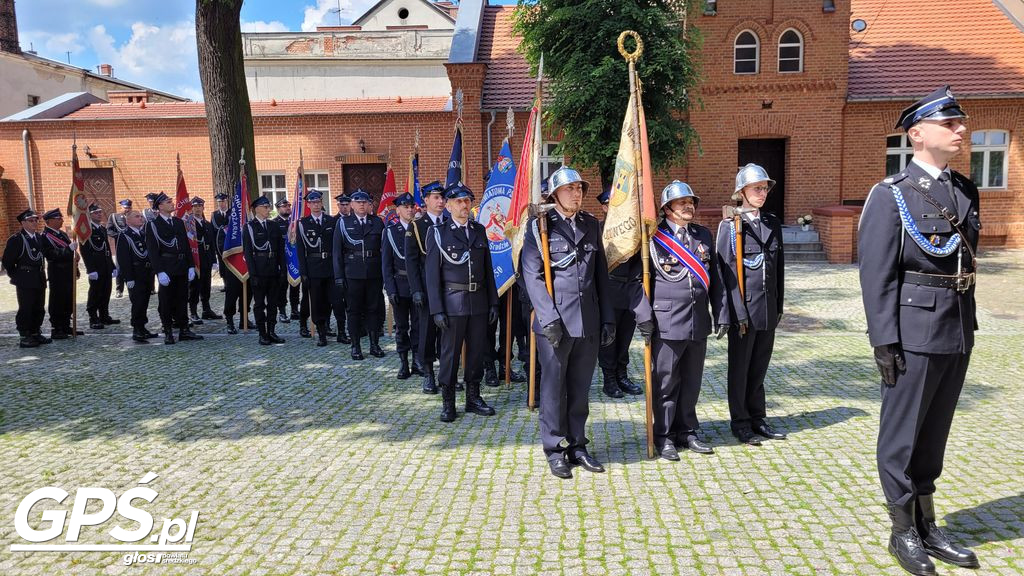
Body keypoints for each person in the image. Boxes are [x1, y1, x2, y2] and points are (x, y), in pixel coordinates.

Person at [859, 86, 981, 575]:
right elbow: (877, 275)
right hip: (911, 332)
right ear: (917, 133)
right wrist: (884, 341)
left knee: (935, 432)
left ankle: (928, 523)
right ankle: (902, 529)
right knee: (902, 435)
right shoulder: (890, 195)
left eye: (960, 123)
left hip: (956, 328)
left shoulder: (965, 190)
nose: (961, 130)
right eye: (950, 123)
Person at [521, 167, 614, 479]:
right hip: (555, 324)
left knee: (580, 388)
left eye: (579, 188)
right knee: (553, 389)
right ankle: (555, 448)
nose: (577, 194)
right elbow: (532, 276)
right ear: (555, 194)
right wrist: (548, 319)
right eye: (570, 188)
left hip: (587, 321)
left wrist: (608, 318)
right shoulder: (540, 227)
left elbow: (600, 274)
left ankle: (577, 444)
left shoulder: (591, 225)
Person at [642, 182, 724, 458]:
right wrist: (644, 316)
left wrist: (720, 312)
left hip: (697, 320)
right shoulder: (653, 237)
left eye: (691, 202)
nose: (689, 206)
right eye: (682, 203)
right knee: (666, 383)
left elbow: (716, 281)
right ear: (667, 209)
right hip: (666, 322)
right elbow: (639, 281)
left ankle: (687, 430)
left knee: (691, 381)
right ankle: (664, 435)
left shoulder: (703, 235)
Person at [716, 163, 786, 446]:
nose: (762, 192)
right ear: (741, 192)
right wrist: (734, 312)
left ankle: (758, 418)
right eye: (757, 188)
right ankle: (741, 422)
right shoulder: (731, 226)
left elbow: (779, 269)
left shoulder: (771, 223)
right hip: (743, 312)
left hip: (767, 309)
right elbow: (725, 274)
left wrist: (779, 304)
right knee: (741, 369)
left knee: (759, 368)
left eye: (765, 188)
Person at [425, 183, 499, 422]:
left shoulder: (479, 230)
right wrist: (436, 309)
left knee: (477, 352)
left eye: (467, 201)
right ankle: (448, 402)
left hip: (478, 302)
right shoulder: (438, 233)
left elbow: (488, 270)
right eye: (458, 201)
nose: (464, 205)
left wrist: (493, 303)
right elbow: (432, 276)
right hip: (452, 303)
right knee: (450, 354)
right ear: (447, 205)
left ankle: (473, 398)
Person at [595, 186, 645, 398]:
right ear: (604, 208)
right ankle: (609, 379)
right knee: (609, 337)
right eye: (608, 204)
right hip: (609, 289)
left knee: (625, 336)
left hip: (631, 289)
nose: (611, 208)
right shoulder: (597, 230)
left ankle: (622, 375)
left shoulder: (632, 230)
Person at [333, 189, 385, 360]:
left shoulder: (377, 222)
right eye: (358, 202)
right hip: (352, 273)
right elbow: (337, 252)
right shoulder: (343, 223)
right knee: (353, 311)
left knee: (373, 310)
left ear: (369, 204)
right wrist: (339, 276)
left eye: (365, 202)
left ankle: (374, 345)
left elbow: (384, 250)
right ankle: (355, 346)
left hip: (374, 273)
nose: (362, 205)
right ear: (352, 204)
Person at [406, 181, 448, 393]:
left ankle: (446, 374)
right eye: (435, 197)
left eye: (442, 197)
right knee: (427, 331)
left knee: (447, 332)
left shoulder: (449, 222)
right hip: (426, 287)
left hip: (448, 287)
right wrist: (416, 289)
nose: (440, 201)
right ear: (425, 200)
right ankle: (429, 373)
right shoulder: (417, 226)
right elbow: (411, 261)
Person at [146, 192, 202, 345]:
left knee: (182, 299)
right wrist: (160, 271)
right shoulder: (153, 224)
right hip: (167, 267)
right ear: (160, 206)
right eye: (168, 202)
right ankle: (168, 330)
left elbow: (185, 245)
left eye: (171, 201)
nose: (172, 204)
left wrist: (191, 265)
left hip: (181, 265)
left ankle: (184, 329)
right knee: (166, 300)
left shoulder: (177, 222)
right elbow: (152, 250)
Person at [382, 192, 420, 379]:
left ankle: (417, 362)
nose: (409, 209)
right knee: (402, 327)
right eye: (405, 207)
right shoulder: (391, 230)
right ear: (397, 210)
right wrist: (390, 289)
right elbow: (386, 264)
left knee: (419, 326)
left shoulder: (419, 228)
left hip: (417, 287)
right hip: (400, 285)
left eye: (411, 206)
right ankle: (404, 362)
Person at [295, 190, 337, 346]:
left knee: (329, 300)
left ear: (322, 203)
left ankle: (326, 325)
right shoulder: (303, 223)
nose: (316, 205)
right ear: (308, 205)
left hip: (330, 266)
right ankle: (321, 333)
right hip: (313, 268)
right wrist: (303, 273)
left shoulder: (331, 221)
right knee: (317, 301)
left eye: (318, 202)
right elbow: (300, 250)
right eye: (313, 203)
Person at [3, 210, 50, 348]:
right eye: (31, 220)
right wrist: (16, 276)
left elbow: (46, 253)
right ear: (23, 223)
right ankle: (25, 335)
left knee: (39, 307)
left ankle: (35, 332)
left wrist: (68, 250)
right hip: (25, 277)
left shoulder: (39, 237)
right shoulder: (16, 239)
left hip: (39, 276)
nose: (35, 222)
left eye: (36, 220)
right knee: (26, 307)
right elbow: (7, 261)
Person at [244, 195, 285, 345]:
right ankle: (262, 333)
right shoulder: (249, 227)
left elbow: (280, 249)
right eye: (265, 207)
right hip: (259, 270)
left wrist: (283, 270)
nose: (269, 209)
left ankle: (272, 331)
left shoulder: (273, 226)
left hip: (273, 268)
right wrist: (253, 273)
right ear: (257, 209)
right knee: (259, 304)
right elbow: (248, 252)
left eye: (269, 207)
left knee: (273, 303)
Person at [117, 209, 158, 343]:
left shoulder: (142, 234)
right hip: (135, 274)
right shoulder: (124, 235)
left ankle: (142, 327)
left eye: (141, 216)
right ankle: (137, 329)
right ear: (128, 220)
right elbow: (123, 259)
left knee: (145, 301)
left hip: (146, 273)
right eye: (137, 217)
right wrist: (128, 278)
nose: (141, 218)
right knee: (138, 302)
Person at [40, 209, 82, 339]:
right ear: (49, 221)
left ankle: (65, 324)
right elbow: (51, 255)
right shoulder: (45, 237)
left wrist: (75, 257)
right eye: (58, 218)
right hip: (57, 272)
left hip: (68, 270)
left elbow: (70, 252)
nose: (62, 220)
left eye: (61, 218)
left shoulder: (63, 234)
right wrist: (68, 250)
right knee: (58, 300)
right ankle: (56, 328)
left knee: (68, 299)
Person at [80, 203, 118, 329]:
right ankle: (93, 318)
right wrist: (90, 269)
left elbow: (106, 248)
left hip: (106, 265)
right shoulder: (86, 229)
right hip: (96, 266)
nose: (99, 214)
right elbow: (85, 250)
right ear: (89, 215)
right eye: (96, 213)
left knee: (106, 291)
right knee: (95, 293)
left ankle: (104, 315)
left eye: (100, 212)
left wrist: (112, 266)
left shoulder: (101, 228)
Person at [189, 196, 221, 324]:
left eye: (199, 206)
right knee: (194, 287)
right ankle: (193, 312)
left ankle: (206, 310)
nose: (197, 209)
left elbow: (212, 242)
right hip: (196, 259)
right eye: (195, 206)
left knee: (206, 286)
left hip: (206, 259)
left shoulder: (207, 224)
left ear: (203, 207)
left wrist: (214, 260)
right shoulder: (189, 225)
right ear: (191, 208)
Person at [272, 198, 300, 324]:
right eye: (284, 206)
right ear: (278, 209)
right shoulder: (274, 224)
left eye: (288, 206)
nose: (287, 208)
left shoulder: (295, 223)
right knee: (282, 287)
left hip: (293, 259)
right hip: (281, 260)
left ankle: (294, 310)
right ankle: (282, 311)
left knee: (295, 285)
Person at [108, 198, 131, 298]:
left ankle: (132, 287)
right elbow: (109, 230)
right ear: (121, 207)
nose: (127, 209)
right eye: (126, 207)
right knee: (120, 267)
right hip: (120, 245)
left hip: (132, 244)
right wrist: (118, 236)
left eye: (129, 207)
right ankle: (119, 289)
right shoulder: (114, 216)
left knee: (132, 266)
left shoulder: (133, 216)